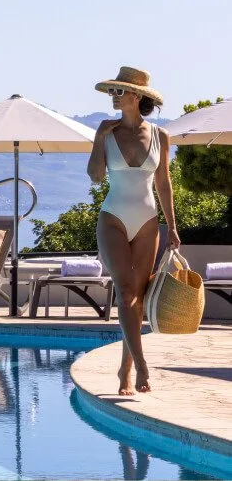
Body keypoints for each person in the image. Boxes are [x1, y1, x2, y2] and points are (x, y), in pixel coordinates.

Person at [86, 66, 180, 395]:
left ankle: (124, 369)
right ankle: (141, 364)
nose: (114, 96)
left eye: (119, 91)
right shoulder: (107, 132)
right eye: (112, 91)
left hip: (148, 221)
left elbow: (163, 183)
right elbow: (96, 176)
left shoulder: (160, 136)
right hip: (112, 216)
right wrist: (98, 137)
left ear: (136, 96)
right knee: (126, 293)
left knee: (136, 301)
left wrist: (173, 225)